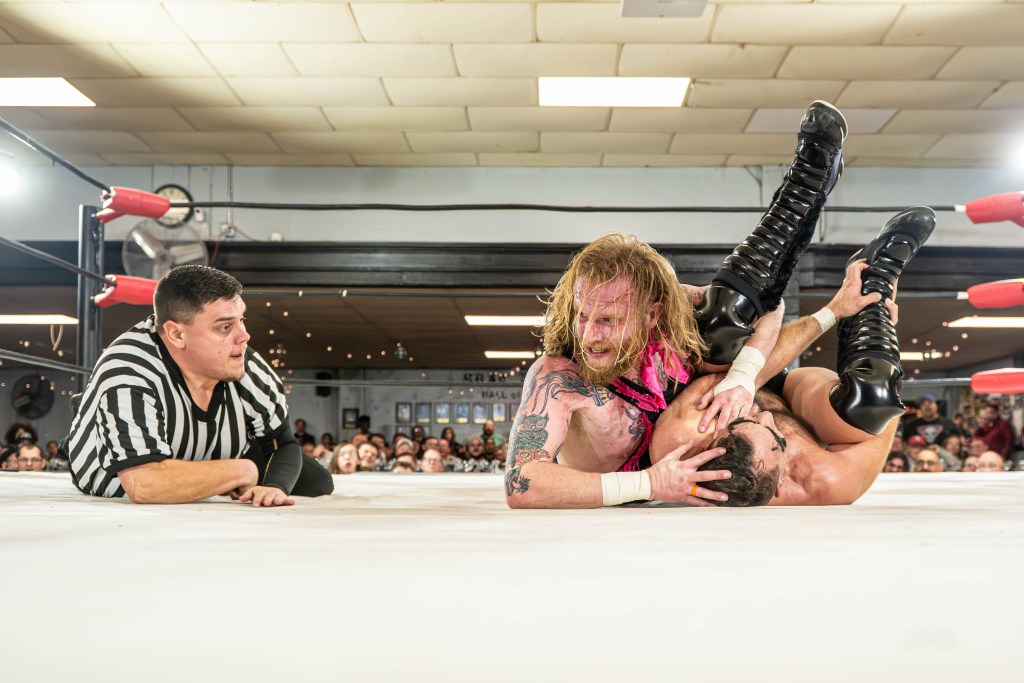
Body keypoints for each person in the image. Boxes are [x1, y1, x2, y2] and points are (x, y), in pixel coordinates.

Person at [504, 101, 851, 509]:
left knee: (723, 317)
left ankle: (805, 186)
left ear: (650, 313)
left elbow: (770, 307)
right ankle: (810, 188)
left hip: (706, 411)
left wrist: (743, 377)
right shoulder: (560, 379)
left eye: (609, 320)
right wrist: (649, 484)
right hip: (637, 474)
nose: (589, 335)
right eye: (583, 316)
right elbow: (521, 485)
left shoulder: (670, 311)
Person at [649, 207, 935, 506]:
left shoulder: (684, 441)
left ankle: (794, 204)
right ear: (780, 484)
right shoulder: (826, 483)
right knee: (874, 399)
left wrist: (833, 311)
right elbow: (884, 425)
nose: (765, 415)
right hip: (798, 398)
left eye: (748, 421)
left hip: (731, 370)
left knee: (722, 329)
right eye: (778, 442)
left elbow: (727, 374)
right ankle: (875, 283)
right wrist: (877, 326)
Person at [61, 265, 334, 505]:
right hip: (117, 461)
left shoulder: (245, 364)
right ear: (177, 334)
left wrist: (274, 487)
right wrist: (241, 471)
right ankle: (87, 408)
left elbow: (283, 443)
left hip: (207, 449)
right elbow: (144, 484)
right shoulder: (129, 370)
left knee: (318, 482)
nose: (244, 336)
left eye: (241, 320)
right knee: (139, 432)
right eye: (225, 327)